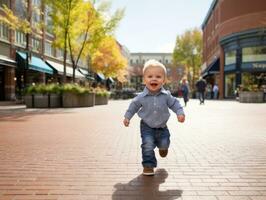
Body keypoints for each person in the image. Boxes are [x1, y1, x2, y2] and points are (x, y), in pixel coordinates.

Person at [123, 59, 185, 176]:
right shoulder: (141, 97)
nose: (154, 79)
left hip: (162, 127)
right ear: (144, 79)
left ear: (164, 80)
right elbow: (133, 107)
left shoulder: (166, 96)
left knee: (164, 143)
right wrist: (127, 117)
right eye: (150, 76)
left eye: (158, 76)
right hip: (147, 126)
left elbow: (175, 103)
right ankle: (148, 165)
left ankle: (163, 147)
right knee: (147, 145)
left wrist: (179, 113)